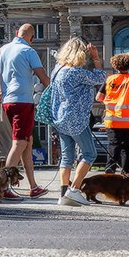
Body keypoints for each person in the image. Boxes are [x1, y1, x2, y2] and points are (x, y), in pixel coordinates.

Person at [0, 23, 52, 199]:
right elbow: (43, 77)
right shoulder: (29, 51)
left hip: (7, 103)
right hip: (23, 101)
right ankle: (3, 184)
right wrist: (56, 94)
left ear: (16, 33)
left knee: (27, 143)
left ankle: (34, 187)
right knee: (20, 143)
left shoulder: (1, 51)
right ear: (32, 38)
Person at [50, 38, 107, 206]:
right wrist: (96, 58)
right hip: (76, 118)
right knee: (90, 154)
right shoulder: (75, 72)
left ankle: (63, 194)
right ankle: (73, 190)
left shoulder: (57, 70)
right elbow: (101, 77)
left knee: (67, 157)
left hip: (60, 117)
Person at [99, 52, 129, 174]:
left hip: (112, 120)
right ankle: (128, 175)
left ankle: (110, 171)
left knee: (114, 145)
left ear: (115, 66)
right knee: (128, 148)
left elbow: (99, 97)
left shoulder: (109, 79)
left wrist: (110, 102)